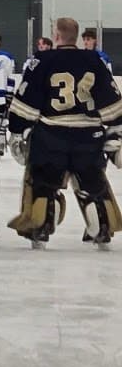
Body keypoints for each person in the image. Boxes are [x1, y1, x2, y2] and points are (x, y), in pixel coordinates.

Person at [8, 16, 122, 247]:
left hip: (52, 134)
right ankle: (100, 222)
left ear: (56, 35)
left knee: (42, 181)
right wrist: (115, 133)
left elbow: (26, 101)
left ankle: (43, 219)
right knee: (92, 182)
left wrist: (17, 131)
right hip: (89, 135)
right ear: (77, 36)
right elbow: (112, 103)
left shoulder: (41, 60)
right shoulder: (94, 60)